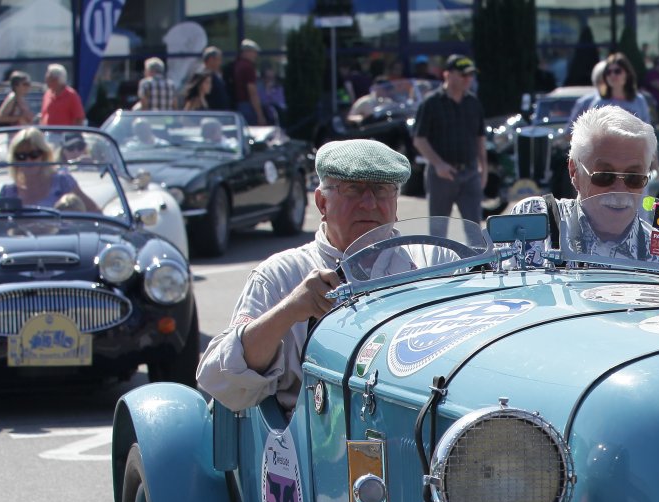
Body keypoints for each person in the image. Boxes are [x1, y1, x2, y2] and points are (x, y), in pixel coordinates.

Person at [198, 140, 409, 412]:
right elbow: (220, 382)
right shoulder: (281, 274)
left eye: (381, 190)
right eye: (353, 189)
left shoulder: (434, 262)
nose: (369, 203)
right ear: (322, 203)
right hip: (308, 431)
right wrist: (290, 309)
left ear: (395, 202)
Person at [508, 107, 659, 267]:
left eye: (633, 178)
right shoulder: (536, 221)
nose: (620, 190)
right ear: (574, 171)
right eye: (605, 176)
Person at [412, 54, 486, 221]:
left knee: (475, 228)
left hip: (470, 172)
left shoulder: (473, 103)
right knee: (438, 228)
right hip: (441, 175)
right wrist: (438, 164)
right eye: (463, 74)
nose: (467, 79)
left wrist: (484, 168)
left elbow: (480, 138)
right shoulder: (431, 103)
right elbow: (419, 139)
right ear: (447, 74)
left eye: (470, 75)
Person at [0, 128, 101, 211]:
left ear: (44, 155)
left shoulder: (62, 182)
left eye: (34, 154)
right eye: (21, 156)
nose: (28, 160)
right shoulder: (8, 192)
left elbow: (95, 212)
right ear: (14, 159)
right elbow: (1, 227)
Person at [568, 52, 653, 127]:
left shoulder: (639, 101)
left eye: (617, 71)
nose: (612, 75)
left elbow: (646, 129)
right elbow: (590, 131)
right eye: (608, 72)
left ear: (627, 74)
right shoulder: (599, 102)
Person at [232, 40, 266, 126]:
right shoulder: (248, 67)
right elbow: (252, 92)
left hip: (238, 104)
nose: (255, 55)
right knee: (252, 130)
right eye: (254, 52)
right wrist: (260, 115)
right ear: (246, 52)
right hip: (247, 105)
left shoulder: (237, 65)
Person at [200, 47, 233, 112]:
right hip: (212, 113)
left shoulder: (217, 75)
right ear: (211, 60)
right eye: (218, 59)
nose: (220, 62)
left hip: (222, 112)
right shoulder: (202, 76)